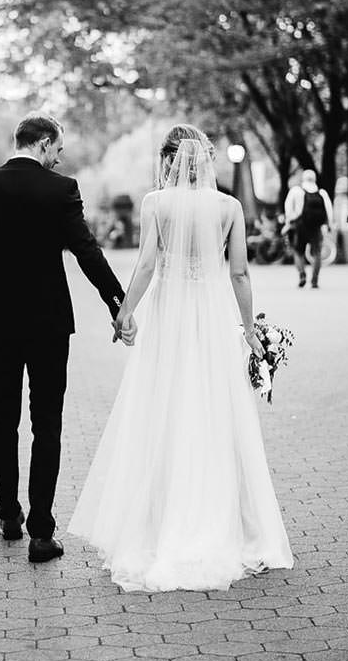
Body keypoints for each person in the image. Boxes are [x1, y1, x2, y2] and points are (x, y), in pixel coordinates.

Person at [68, 125, 293, 591]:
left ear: (169, 160)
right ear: (207, 160)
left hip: (169, 318)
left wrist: (124, 313)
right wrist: (250, 332)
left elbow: (148, 265)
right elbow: (240, 273)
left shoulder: (156, 203)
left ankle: (157, 528)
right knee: (215, 414)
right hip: (210, 320)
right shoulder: (229, 208)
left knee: (162, 411)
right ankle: (230, 527)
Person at [0, 114, 127, 563]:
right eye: (58, 149)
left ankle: (9, 512)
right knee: (47, 423)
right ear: (44, 143)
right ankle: (42, 534)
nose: (59, 157)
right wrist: (117, 302)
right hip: (48, 324)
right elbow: (87, 250)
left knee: (2, 418)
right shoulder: (59, 190)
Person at [283, 168, 334, 289]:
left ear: (303, 178)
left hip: (300, 226)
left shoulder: (296, 190)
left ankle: (302, 275)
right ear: (315, 179)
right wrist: (329, 225)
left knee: (298, 251)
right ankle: (315, 280)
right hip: (316, 227)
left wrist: (288, 221)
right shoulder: (322, 193)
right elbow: (329, 210)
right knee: (317, 253)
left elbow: (288, 207)